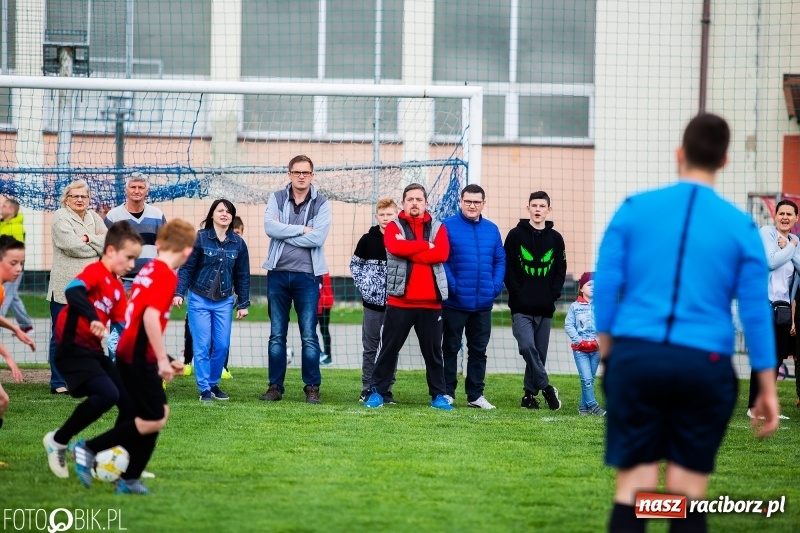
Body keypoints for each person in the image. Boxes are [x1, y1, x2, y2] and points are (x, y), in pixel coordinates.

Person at [594, 113, 780, 533]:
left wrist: (610, 351)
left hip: (637, 358)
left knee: (635, 489)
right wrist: (766, 386)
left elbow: (605, 286)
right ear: (725, 160)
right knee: (685, 494)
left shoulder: (634, 209)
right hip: (704, 363)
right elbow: (755, 311)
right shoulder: (742, 226)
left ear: (680, 153)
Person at [71, 219, 196, 495]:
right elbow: (150, 317)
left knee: (153, 414)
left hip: (133, 351)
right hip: (139, 354)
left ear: (159, 244)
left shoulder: (148, 269)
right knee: (155, 417)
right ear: (187, 252)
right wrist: (162, 360)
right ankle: (89, 448)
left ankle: (129, 477)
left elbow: (138, 316)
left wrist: (165, 356)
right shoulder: (166, 274)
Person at [43, 222, 143, 478]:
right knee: (107, 394)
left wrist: (163, 359)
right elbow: (72, 290)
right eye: (128, 257)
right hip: (71, 347)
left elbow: (126, 331)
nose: (132, 265)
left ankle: (120, 462)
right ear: (110, 251)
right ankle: (59, 441)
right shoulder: (96, 271)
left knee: (130, 402)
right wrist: (93, 318)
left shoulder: (118, 291)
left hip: (92, 352)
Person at [363, 183, 452, 410]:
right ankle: (377, 392)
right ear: (403, 203)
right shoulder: (394, 226)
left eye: (419, 200)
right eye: (410, 199)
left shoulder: (438, 227)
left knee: (433, 354)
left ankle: (438, 395)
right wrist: (425, 247)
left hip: (431, 304)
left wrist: (412, 252)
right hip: (400, 301)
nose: (414, 203)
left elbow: (441, 253)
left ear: (425, 203)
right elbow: (395, 247)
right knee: (388, 350)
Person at [259, 155, 331, 404]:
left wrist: (284, 232)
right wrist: (301, 229)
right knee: (276, 334)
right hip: (277, 274)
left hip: (307, 277)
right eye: (296, 172)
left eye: (306, 172)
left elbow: (318, 238)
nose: (301, 176)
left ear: (312, 175)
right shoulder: (276, 198)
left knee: (309, 335)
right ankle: (274, 387)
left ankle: (312, 387)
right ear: (289, 174)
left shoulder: (322, 203)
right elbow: (270, 227)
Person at [174, 200, 250, 402]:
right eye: (220, 210)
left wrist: (243, 304)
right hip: (199, 298)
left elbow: (242, 275)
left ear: (232, 217)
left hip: (224, 301)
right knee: (202, 344)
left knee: (222, 345)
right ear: (212, 215)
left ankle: (213, 383)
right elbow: (187, 268)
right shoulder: (199, 239)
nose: (224, 214)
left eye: (228, 211)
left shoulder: (239, 244)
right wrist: (179, 293)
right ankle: (204, 389)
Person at [441, 184, 505, 409]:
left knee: (478, 351)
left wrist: (495, 286)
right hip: (455, 301)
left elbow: (500, 260)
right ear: (461, 201)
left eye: (476, 202)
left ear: (483, 204)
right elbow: (443, 260)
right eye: (468, 201)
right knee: (449, 347)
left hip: (483, 303)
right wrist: (454, 286)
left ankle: (475, 395)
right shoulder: (447, 226)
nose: (472, 205)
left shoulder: (492, 229)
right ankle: (447, 392)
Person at [503, 191, 566, 410]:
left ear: (549, 209)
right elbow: (508, 267)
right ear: (527, 208)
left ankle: (529, 396)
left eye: (542, 206)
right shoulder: (515, 235)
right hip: (521, 307)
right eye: (534, 205)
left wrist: (553, 295)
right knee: (527, 346)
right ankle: (548, 388)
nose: (538, 209)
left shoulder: (556, 239)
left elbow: (560, 270)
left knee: (539, 354)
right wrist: (517, 292)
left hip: (545, 307)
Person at [48, 180, 107, 394]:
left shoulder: (93, 218)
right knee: (61, 336)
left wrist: (86, 238)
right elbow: (71, 246)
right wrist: (94, 244)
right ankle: (58, 382)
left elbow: (109, 241)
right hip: (64, 288)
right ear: (67, 198)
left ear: (89, 199)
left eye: (83, 196)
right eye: (75, 196)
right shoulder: (60, 216)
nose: (80, 200)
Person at [104, 173, 167, 361]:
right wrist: (114, 277)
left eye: (141, 187)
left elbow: (164, 248)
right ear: (126, 189)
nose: (137, 191)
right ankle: (116, 374)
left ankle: (142, 374)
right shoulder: (113, 216)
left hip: (149, 283)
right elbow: (106, 249)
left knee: (147, 328)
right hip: (122, 281)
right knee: (118, 329)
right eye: (133, 187)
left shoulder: (157, 215)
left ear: (147, 190)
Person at [746, 199, 800, 419]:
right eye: (781, 213)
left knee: (777, 358)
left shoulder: (794, 240)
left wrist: (789, 247)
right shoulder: (766, 233)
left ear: (796, 218)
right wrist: (791, 249)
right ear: (775, 216)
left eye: (790, 214)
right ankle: (754, 407)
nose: (785, 217)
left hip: (784, 309)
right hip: (765, 306)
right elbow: (771, 262)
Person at [350, 198, 398, 402]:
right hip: (372, 304)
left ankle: (386, 389)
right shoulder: (367, 240)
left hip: (396, 304)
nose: (386, 218)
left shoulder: (401, 238)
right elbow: (355, 266)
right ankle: (367, 387)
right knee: (370, 346)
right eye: (382, 215)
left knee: (391, 348)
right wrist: (367, 288)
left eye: (389, 214)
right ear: (376, 216)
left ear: (396, 215)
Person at [0, 235, 36, 464]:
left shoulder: (1, 290)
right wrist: (9, 357)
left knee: (1, 401)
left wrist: (16, 328)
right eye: (13, 263)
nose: (18, 268)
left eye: (21, 263)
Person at [564, 272, 604, 416]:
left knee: (589, 379)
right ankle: (593, 406)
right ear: (581, 288)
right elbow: (569, 325)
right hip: (580, 350)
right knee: (586, 378)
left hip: (596, 349)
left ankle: (583, 407)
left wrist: (597, 342)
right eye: (589, 284)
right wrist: (579, 341)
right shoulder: (574, 307)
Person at [0, 197, 34, 334]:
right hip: (2, 266)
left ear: (12, 210)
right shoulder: (2, 224)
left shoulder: (16, 227)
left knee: (6, 295)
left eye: (4, 206)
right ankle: (26, 326)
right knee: (12, 296)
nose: (1, 208)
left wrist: (14, 265)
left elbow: (17, 251)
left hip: (11, 268)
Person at [317, 273, 333, 365]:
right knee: (324, 329)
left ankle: (324, 355)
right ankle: (325, 355)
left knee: (311, 330)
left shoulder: (319, 271)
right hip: (324, 302)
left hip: (321, 303)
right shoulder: (324, 270)